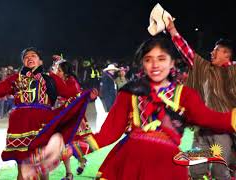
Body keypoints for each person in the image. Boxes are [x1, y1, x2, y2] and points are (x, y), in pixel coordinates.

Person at [83, 36, 236, 180]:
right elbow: (110, 130)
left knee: (217, 169)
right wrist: (78, 147)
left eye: (161, 59)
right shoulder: (130, 92)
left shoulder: (184, 95)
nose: (155, 65)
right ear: (143, 63)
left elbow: (208, 117)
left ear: (172, 63)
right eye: (149, 59)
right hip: (131, 161)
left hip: (166, 166)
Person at [0, 47, 96, 180]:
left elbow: (70, 92)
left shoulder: (50, 79)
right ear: (23, 61)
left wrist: (87, 96)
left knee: (42, 165)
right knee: (22, 166)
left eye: (33, 56)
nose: (29, 58)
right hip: (21, 125)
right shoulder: (15, 78)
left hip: (43, 124)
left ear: (40, 61)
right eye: (26, 57)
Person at [167, 18, 236, 179]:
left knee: (220, 172)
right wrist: (172, 30)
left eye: (216, 50)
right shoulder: (205, 69)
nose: (212, 52)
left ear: (226, 54)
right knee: (195, 169)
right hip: (201, 134)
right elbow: (187, 52)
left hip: (222, 135)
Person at [51, 61, 93, 180]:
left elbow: (65, 92)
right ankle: (71, 171)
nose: (57, 72)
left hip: (72, 118)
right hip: (62, 117)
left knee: (68, 144)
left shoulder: (72, 82)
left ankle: (78, 163)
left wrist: (52, 74)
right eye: (57, 70)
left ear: (65, 72)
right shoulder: (62, 81)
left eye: (59, 70)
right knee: (64, 146)